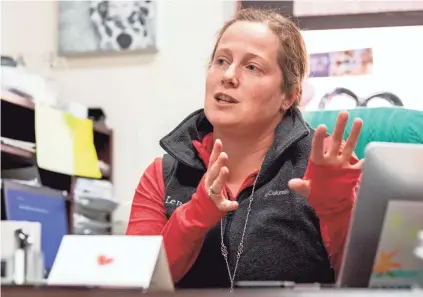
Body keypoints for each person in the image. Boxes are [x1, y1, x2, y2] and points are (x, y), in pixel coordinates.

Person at [126, 8, 363, 290]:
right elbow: (134, 284)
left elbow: (367, 283)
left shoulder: (326, 167)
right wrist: (195, 215)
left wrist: (338, 210)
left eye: (252, 67)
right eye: (221, 60)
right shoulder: (162, 175)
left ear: (289, 94)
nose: (228, 76)